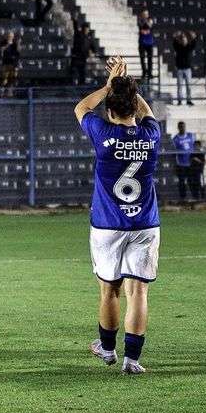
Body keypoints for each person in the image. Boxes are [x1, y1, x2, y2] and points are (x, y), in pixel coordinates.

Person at [75, 55, 161, 375]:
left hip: (108, 225)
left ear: (109, 110)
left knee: (108, 290)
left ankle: (108, 350)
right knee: (138, 292)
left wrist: (108, 85)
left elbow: (81, 108)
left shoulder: (102, 134)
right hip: (145, 223)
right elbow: (146, 112)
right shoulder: (152, 135)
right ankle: (132, 360)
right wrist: (128, 88)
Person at [172, 121, 196, 202]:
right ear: (178, 128)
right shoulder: (176, 139)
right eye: (181, 127)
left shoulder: (190, 136)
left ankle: (194, 197)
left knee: (191, 180)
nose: (182, 128)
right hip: (181, 163)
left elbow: (195, 147)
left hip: (191, 163)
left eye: (183, 126)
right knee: (181, 181)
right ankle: (183, 198)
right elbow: (174, 151)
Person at [172, 30, 197, 105]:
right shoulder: (178, 47)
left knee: (188, 85)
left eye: (185, 39)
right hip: (180, 69)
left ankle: (188, 100)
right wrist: (176, 35)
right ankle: (179, 100)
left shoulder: (189, 47)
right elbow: (174, 42)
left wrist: (193, 36)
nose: (183, 40)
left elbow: (194, 43)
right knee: (180, 85)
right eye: (182, 39)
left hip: (187, 69)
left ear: (187, 40)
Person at [137, 10, 155, 81]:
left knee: (150, 58)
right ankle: (144, 72)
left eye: (146, 14)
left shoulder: (150, 20)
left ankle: (150, 73)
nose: (145, 15)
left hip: (149, 42)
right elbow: (141, 28)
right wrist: (144, 21)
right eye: (144, 14)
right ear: (142, 15)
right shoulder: (140, 20)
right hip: (142, 42)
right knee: (142, 58)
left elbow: (150, 26)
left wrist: (147, 22)